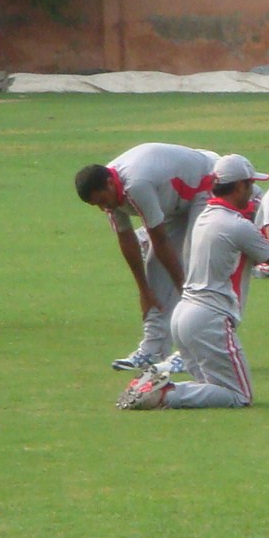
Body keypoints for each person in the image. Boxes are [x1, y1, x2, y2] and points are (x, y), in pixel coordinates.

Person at [116, 155, 269, 411]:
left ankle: (151, 386)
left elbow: (265, 247)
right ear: (239, 186)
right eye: (250, 185)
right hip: (210, 318)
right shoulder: (236, 224)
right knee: (238, 395)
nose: (253, 193)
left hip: (184, 315)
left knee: (208, 385)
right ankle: (164, 395)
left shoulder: (207, 216)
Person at [73, 143, 219, 372]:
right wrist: (144, 291)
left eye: (102, 201)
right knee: (155, 269)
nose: (103, 208)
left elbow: (160, 240)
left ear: (110, 183)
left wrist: (184, 289)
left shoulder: (136, 185)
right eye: (96, 205)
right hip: (172, 202)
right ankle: (153, 349)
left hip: (205, 183)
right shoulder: (109, 189)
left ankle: (192, 351)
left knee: (194, 264)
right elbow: (127, 239)